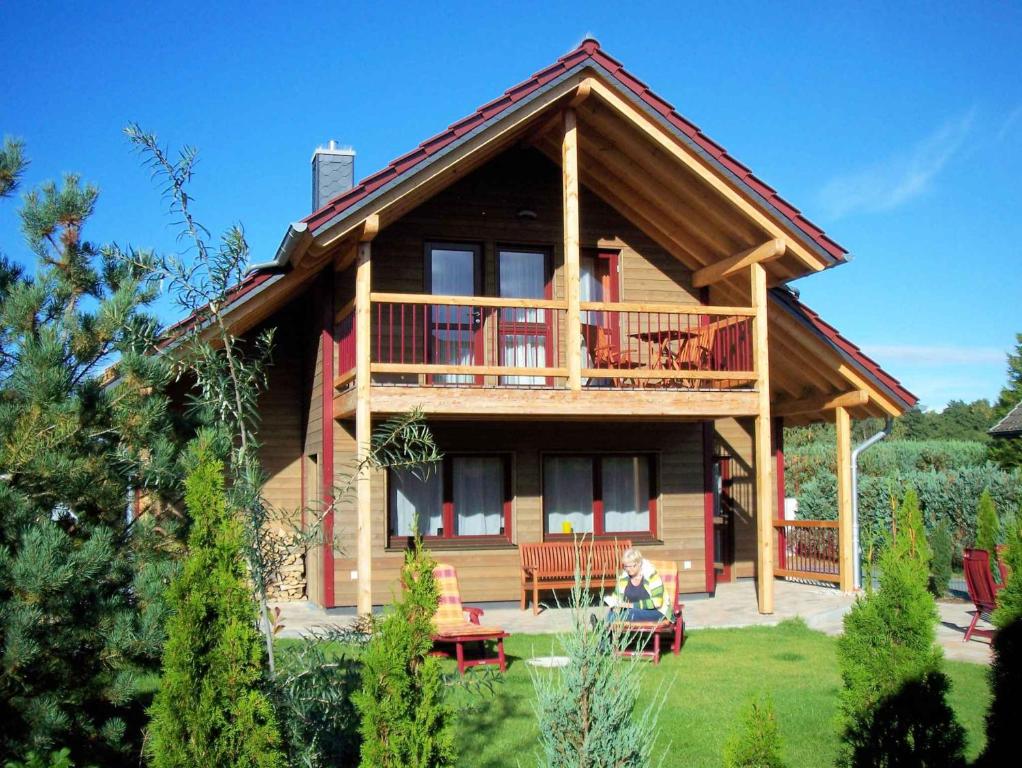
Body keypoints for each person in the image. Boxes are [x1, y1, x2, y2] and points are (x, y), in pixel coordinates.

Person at [608, 548, 672, 623]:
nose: (628, 569)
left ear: (639, 564)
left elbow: (657, 603)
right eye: (626, 566)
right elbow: (616, 597)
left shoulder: (652, 576)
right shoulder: (623, 578)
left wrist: (631, 605)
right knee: (612, 613)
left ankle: (602, 627)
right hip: (632, 611)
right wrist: (613, 603)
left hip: (656, 612)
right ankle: (603, 629)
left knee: (631, 613)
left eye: (631, 566)